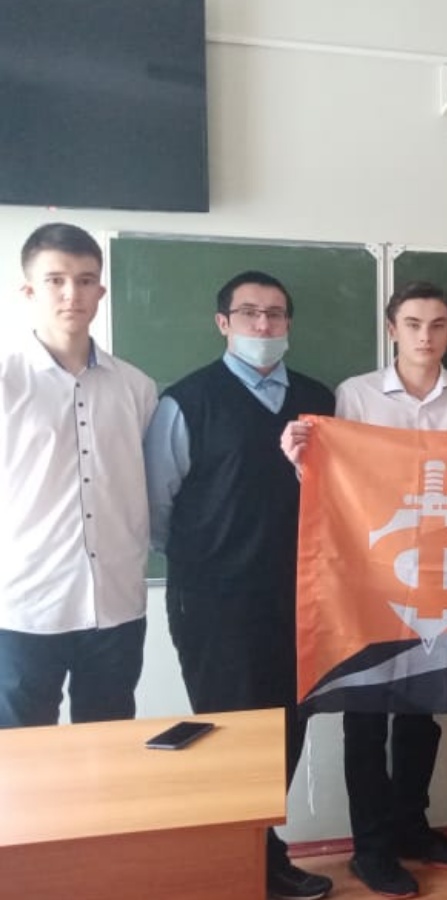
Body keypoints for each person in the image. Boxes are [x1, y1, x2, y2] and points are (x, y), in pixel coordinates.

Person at [282, 281, 447, 899]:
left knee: (424, 709)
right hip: (369, 578)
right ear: (393, 329)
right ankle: (370, 848)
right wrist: (302, 461)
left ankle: (410, 827)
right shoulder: (357, 394)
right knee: (367, 715)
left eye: (439, 324)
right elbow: (336, 477)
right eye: (414, 323)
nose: (427, 335)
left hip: (443, 575)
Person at [143, 271, 336, 900]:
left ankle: (261, 853)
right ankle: (236, 864)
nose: (263, 325)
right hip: (214, 603)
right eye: (249, 313)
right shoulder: (186, 401)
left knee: (289, 727)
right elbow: (159, 510)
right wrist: (212, 560)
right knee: (228, 735)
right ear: (223, 322)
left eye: (275, 314)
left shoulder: (317, 400)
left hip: (299, 598)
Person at [0, 223, 157, 729]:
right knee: (22, 755)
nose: (73, 294)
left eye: (86, 280)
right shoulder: (7, 381)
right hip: (25, 605)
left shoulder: (136, 387)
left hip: (115, 603)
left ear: (101, 291)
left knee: (109, 746)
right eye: (56, 280)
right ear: (29, 291)